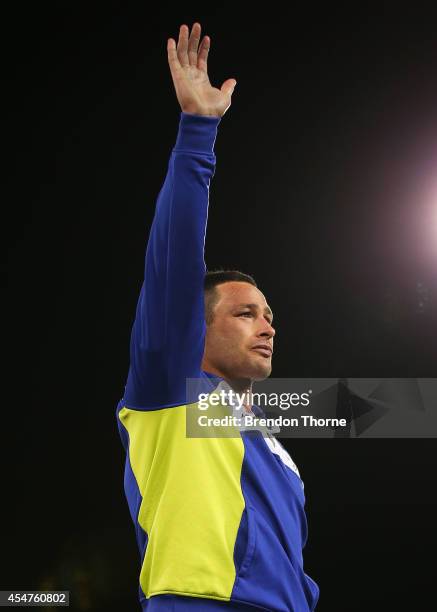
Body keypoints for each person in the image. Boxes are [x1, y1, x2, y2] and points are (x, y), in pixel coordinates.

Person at [116, 22, 319, 612]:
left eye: (270, 316)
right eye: (246, 313)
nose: (268, 326)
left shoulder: (277, 444)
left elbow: (399, 408)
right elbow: (175, 263)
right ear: (195, 328)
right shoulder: (170, 394)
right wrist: (197, 134)